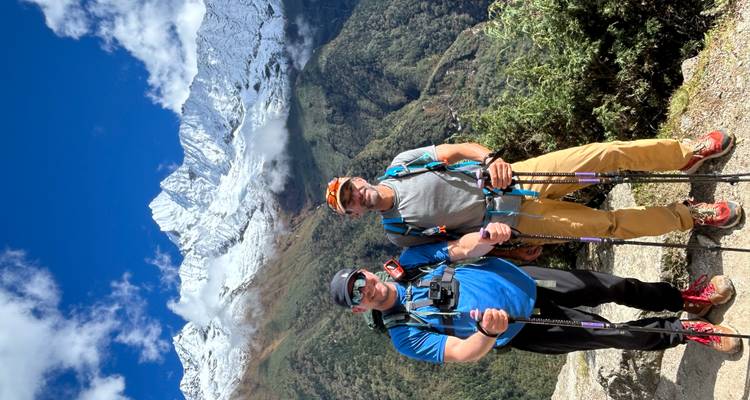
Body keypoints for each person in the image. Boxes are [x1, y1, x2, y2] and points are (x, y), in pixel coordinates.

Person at [328, 222, 742, 364]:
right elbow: (461, 353)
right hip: (524, 328)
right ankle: (686, 330)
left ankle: (685, 299)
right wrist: (487, 335)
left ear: (367, 271)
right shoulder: (404, 335)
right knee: (610, 332)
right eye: (358, 295)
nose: (367, 290)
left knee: (614, 286)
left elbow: (463, 249)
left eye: (360, 281)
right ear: (359, 309)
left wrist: (489, 236)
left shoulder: (411, 262)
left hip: (528, 280)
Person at [325, 131, 742, 251]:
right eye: (350, 205)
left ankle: (686, 153)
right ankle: (690, 215)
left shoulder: (403, 163)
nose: (356, 197)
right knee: (606, 225)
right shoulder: (398, 232)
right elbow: (453, 249)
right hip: (515, 220)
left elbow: (456, 150)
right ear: (355, 216)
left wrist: (490, 159)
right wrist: (503, 245)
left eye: (351, 190)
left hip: (514, 176)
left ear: (357, 179)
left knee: (602, 154)